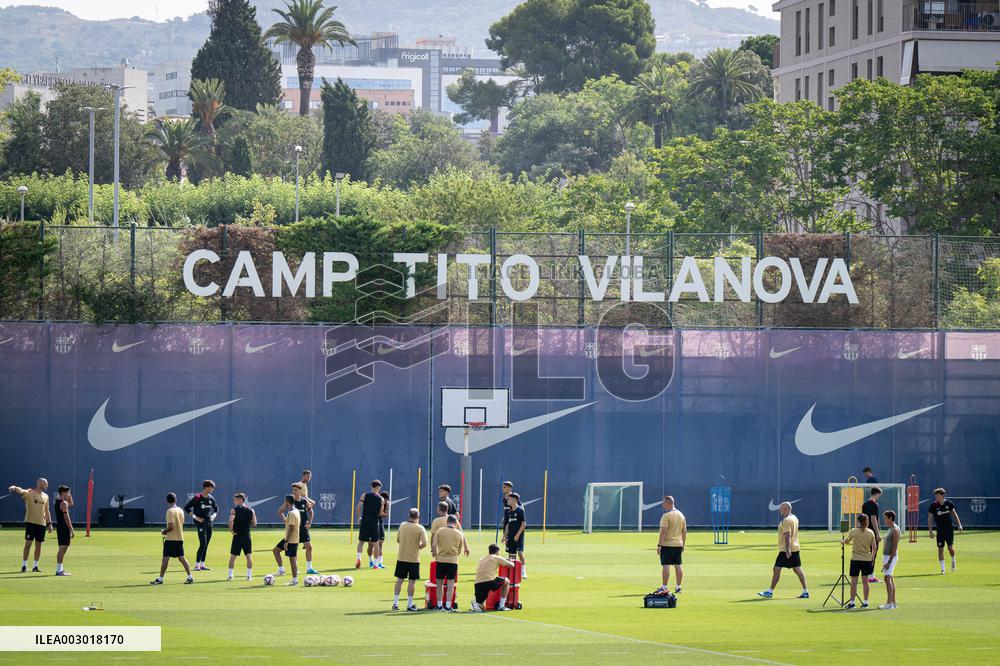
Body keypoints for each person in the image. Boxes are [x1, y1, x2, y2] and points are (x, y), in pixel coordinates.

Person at [758, 501, 809, 599]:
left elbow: (787, 535)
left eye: (781, 508)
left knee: (776, 568)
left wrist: (787, 549)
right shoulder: (795, 518)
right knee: (797, 569)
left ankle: (770, 592)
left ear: (786, 509)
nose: (779, 509)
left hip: (786, 549)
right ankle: (805, 591)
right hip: (795, 547)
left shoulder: (786, 520)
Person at [8, 478, 52, 573]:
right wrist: (14, 487)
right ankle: (24, 565)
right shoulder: (30, 492)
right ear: (40, 483)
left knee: (38, 545)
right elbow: (21, 490)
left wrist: (49, 523)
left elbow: (47, 511)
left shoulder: (46, 496)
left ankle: (35, 566)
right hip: (31, 523)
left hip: (42, 524)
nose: (46, 485)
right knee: (28, 544)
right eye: (45, 484)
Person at [151, 492, 193, 585]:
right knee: (182, 558)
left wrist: (164, 531)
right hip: (179, 538)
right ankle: (190, 576)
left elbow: (171, 526)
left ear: (167, 501)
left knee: (165, 558)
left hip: (170, 539)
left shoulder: (170, 511)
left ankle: (160, 579)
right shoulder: (180, 510)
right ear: (176, 499)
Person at [392, 508, 427, 611]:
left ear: (409, 515)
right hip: (414, 559)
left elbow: (398, 540)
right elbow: (424, 543)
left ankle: (395, 603)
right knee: (412, 582)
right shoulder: (420, 528)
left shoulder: (402, 525)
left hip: (401, 557)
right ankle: (409, 604)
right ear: (418, 517)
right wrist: (419, 546)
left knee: (399, 580)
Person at [432, 515, 469, 612]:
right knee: (450, 584)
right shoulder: (459, 534)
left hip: (441, 559)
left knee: (439, 583)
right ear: (456, 523)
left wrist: (436, 555)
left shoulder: (440, 531)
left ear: (447, 521)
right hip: (453, 561)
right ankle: (448, 605)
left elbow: (434, 545)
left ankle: (439, 605)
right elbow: (460, 549)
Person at [842, 513, 877, 609]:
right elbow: (874, 546)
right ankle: (865, 602)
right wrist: (872, 558)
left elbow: (847, 541)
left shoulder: (854, 531)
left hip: (856, 559)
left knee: (854, 582)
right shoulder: (870, 532)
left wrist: (843, 541)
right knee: (865, 582)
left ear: (858, 522)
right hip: (867, 559)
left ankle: (852, 602)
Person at [183, 480, 219, 572]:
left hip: (209, 523)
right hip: (201, 523)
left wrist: (213, 516)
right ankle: (196, 565)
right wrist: (196, 517)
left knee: (206, 544)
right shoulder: (198, 497)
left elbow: (216, 508)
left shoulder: (211, 498)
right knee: (202, 543)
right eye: (212, 488)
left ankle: (203, 565)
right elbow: (187, 508)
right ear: (207, 487)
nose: (213, 490)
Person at [928, 487, 963, 573]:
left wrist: (959, 525)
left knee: (950, 548)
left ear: (942, 495)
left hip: (949, 529)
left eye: (937, 494)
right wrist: (931, 531)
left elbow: (954, 514)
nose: (936, 496)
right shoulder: (933, 506)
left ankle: (953, 560)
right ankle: (943, 569)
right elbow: (929, 518)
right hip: (940, 530)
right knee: (940, 549)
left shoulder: (949, 503)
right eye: (935, 494)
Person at [657, 495, 687, 594]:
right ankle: (678, 587)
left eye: (664, 503)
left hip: (667, 544)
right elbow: (684, 531)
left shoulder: (666, 516)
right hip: (678, 544)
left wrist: (659, 545)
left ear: (668, 503)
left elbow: (663, 532)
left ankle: (664, 587)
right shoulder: (681, 515)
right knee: (678, 565)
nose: (663, 505)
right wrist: (683, 544)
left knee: (666, 565)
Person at [471, 544, 514, 613]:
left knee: (481, 606)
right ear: (497, 551)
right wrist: (509, 561)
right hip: (489, 581)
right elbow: (511, 565)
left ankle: (476, 604)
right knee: (507, 581)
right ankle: (502, 606)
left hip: (478, 583)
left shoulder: (482, 558)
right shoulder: (497, 557)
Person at [271, 494, 301, 585]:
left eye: (285, 501)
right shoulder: (295, 510)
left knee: (292, 560)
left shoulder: (292, 513)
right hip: (290, 538)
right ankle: (281, 571)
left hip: (291, 540)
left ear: (287, 502)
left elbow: (291, 527)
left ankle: (295, 580)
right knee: (275, 550)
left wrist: (286, 542)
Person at [356, 479, 386, 569]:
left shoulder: (364, 495)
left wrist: (358, 518)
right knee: (376, 544)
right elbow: (380, 514)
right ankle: (376, 565)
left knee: (361, 542)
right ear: (378, 487)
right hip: (375, 523)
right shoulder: (381, 499)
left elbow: (358, 508)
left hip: (365, 521)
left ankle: (358, 558)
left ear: (371, 486)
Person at [227, 492, 257, 581]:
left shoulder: (234, 510)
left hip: (237, 536)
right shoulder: (251, 510)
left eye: (235, 499)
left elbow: (230, 521)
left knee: (233, 556)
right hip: (247, 536)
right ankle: (249, 576)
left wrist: (232, 531)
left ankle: (230, 576)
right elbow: (255, 523)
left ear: (240, 500)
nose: (234, 501)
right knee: (248, 556)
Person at [503, 493, 527, 578]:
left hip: (518, 536)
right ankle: (513, 573)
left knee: (520, 552)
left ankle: (523, 572)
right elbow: (508, 525)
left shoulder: (520, 510)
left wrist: (517, 535)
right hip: (511, 536)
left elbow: (523, 524)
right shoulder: (509, 512)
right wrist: (504, 536)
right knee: (511, 554)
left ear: (514, 500)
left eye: (509, 499)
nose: (507, 500)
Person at [861, 486, 882, 583]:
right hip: (872, 533)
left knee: (866, 553)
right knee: (873, 553)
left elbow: (862, 519)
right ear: (877, 494)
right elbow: (873, 519)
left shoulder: (864, 504)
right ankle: (871, 576)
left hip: (864, 531)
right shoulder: (874, 504)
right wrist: (877, 533)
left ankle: (866, 575)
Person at [880, 509, 901, 610]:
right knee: (889, 578)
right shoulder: (891, 529)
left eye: (886, 518)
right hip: (887, 556)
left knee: (887, 578)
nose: (885, 520)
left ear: (891, 518)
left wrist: (889, 562)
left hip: (890, 557)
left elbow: (895, 547)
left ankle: (889, 603)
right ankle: (893, 602)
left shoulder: (895, 530)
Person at [54, 485, 74, 576]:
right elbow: (66, 517)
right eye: (68, 492)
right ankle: (59, 570)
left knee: (63, 548)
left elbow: (71, 504)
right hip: (63, 527)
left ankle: (60, 569)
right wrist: (71, 529)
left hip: (60, 526)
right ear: (63, 493)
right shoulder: (63, 503)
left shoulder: (59, 502)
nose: (69, 494)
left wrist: (69, 495)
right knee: (63, 548)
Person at [375, 490, 390, 570]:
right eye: (386, 499)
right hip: (374, 524)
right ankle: (373, 561)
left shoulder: (386, 504)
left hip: (380, 523)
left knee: (381, 543)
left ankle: (379, 563)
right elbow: (381, 514)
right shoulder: (377, 503)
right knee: (373, 544)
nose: (387, 501)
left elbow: (384, 515)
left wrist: (386, 508)